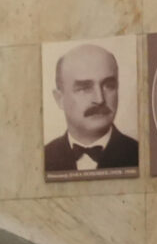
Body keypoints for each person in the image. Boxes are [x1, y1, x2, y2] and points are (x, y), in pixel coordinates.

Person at [40, 43, 136, 172]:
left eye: (109, 86)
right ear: (59, 99)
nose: (100, 99)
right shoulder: (43, 158)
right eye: (84, 88)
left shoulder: (137, 154)